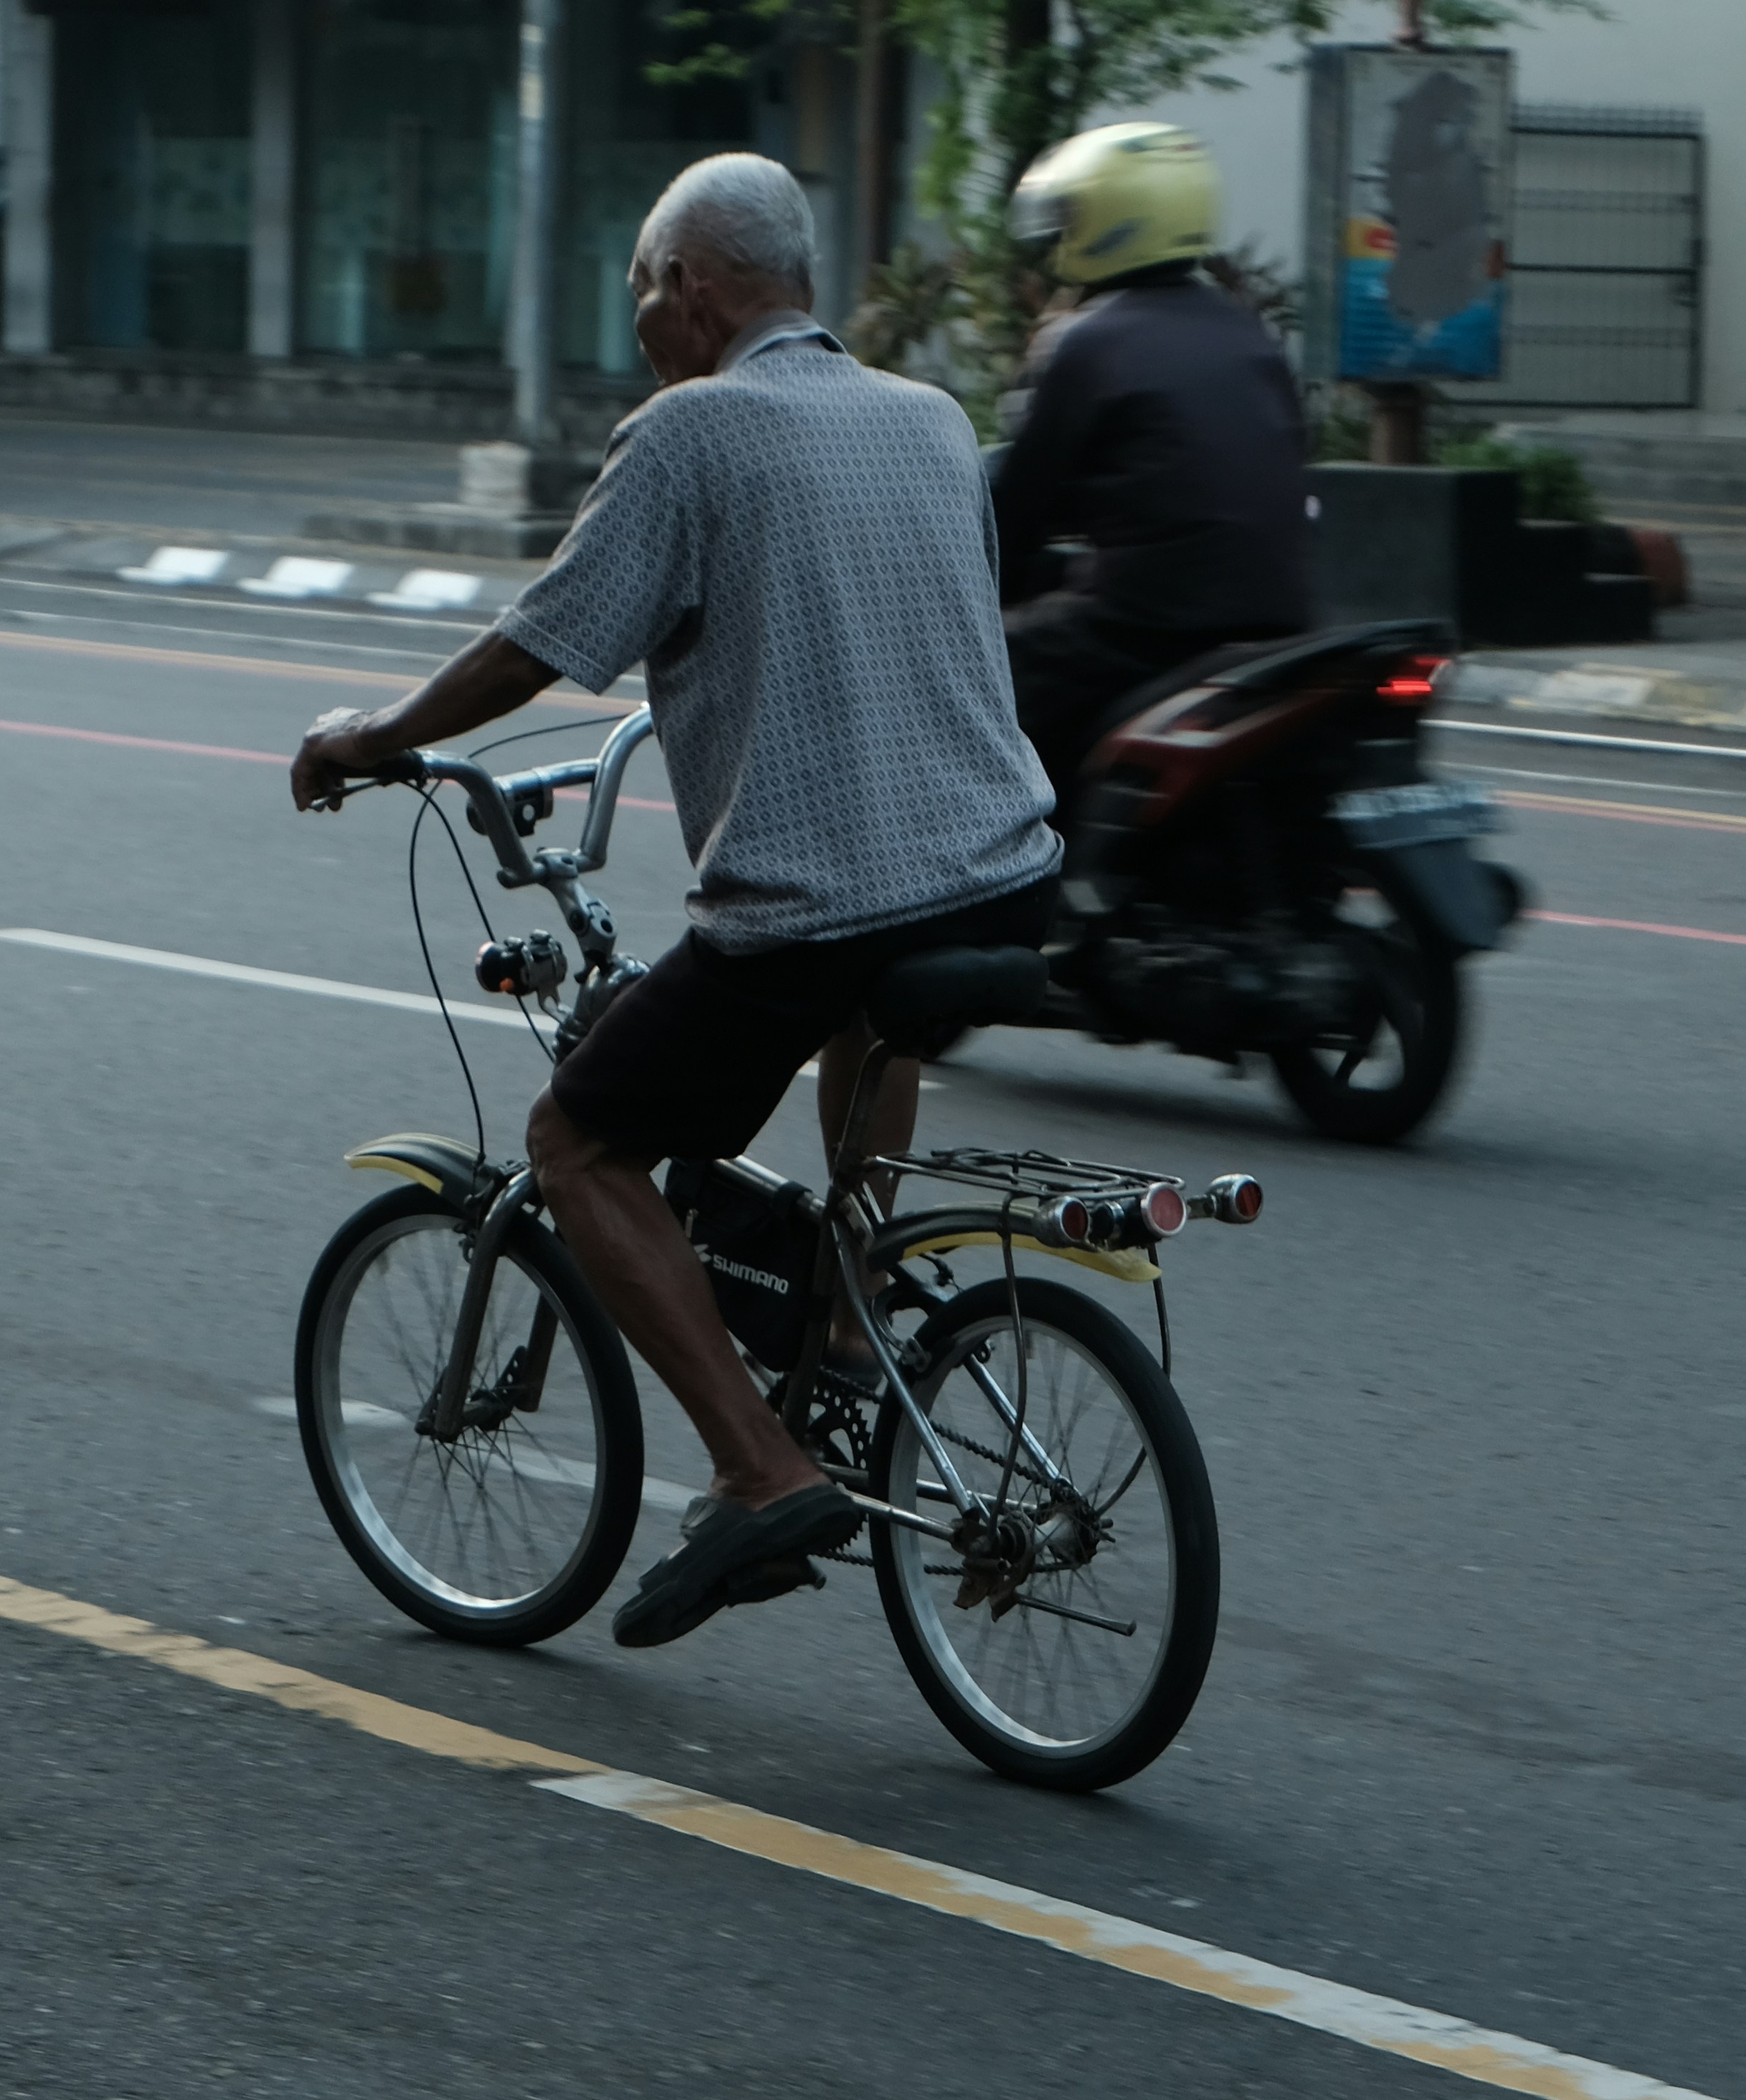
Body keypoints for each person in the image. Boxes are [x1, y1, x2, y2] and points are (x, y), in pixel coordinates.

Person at [290, 151, 1061, 1652]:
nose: (640, 320)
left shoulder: (687, 434)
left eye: (644, 291)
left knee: (577, 1140)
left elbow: (540, 643)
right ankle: (841, 1335)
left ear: (689, 290)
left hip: (812, 906)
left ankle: (761, 1469)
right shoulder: (928, 420)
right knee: (869, 1018)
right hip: (1000, 875)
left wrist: (374, 740)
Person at [990, 117, 1313, 803]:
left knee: (981, 678)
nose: (1058, 233)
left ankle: (1022, 877)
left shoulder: (1088, 343)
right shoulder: (1247, 333)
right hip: (1281, 621)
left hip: (1148, 625)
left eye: (1069, 214)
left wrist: (987, 587)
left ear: (1110, 218)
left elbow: (1017, 512)